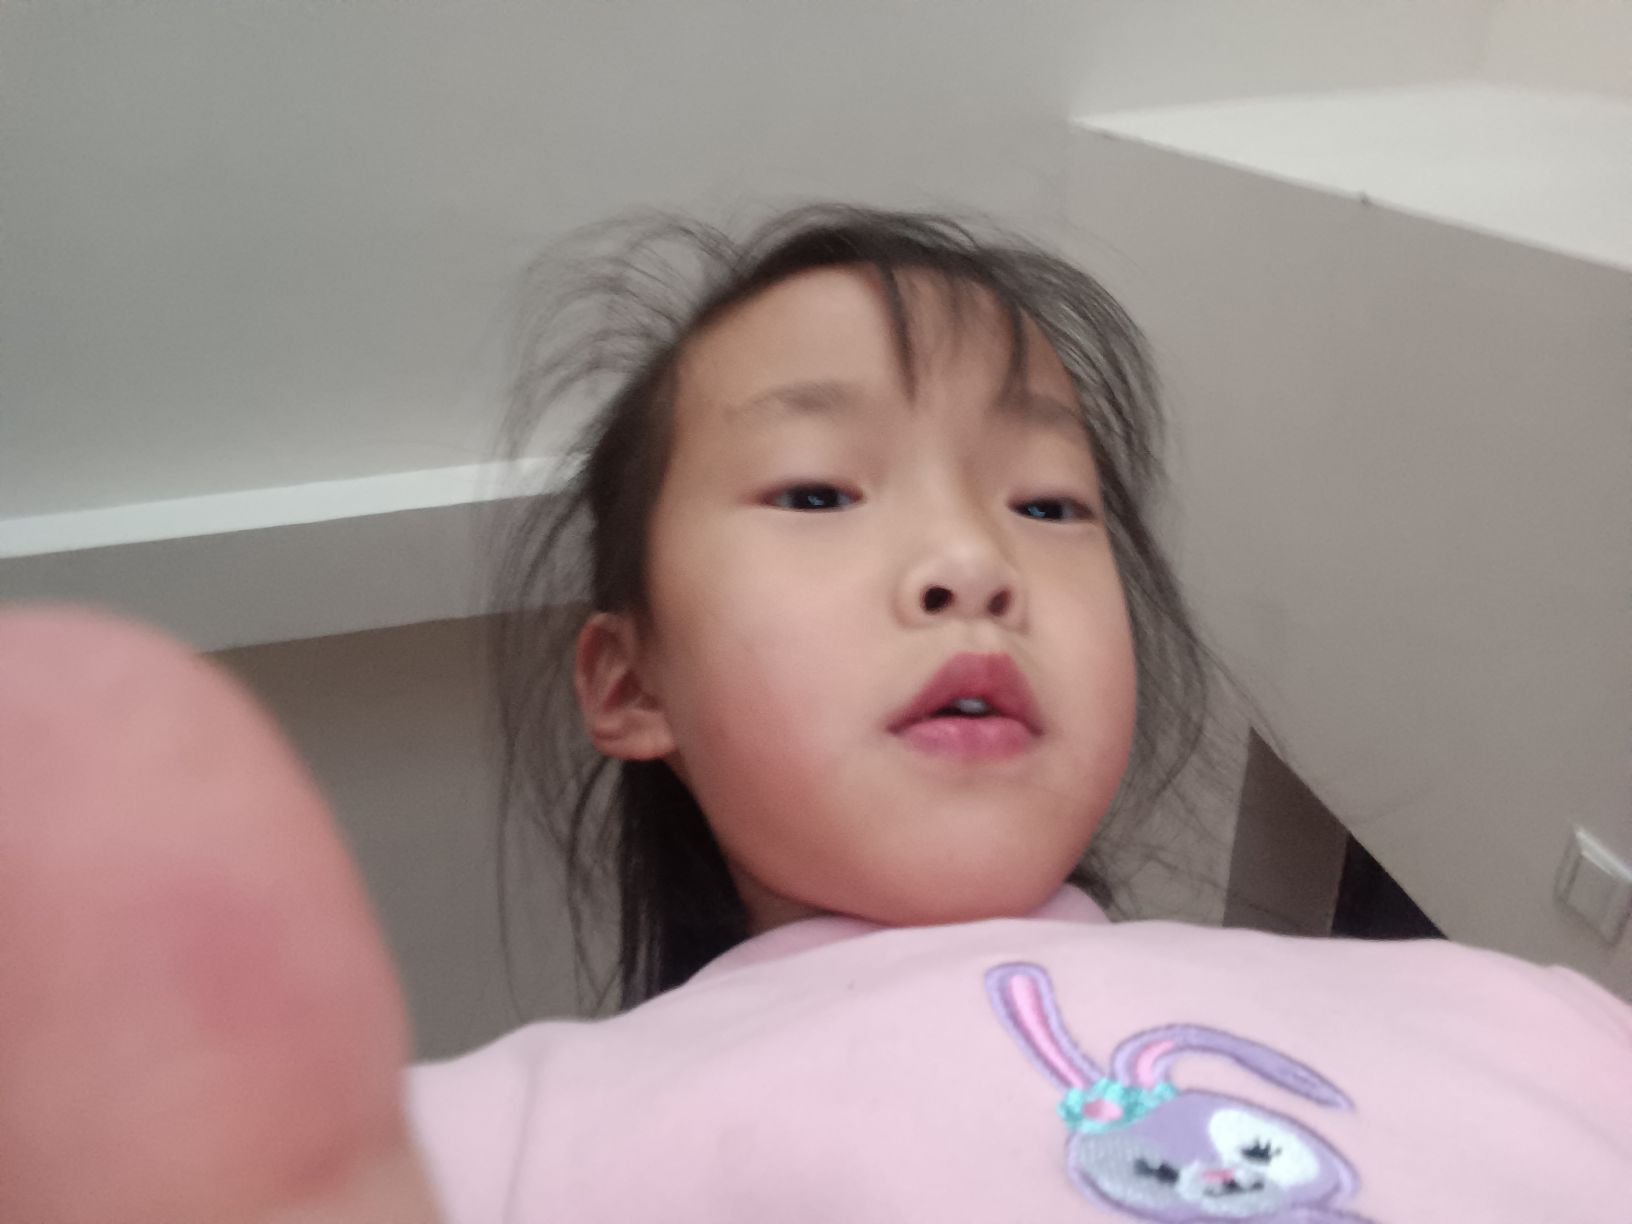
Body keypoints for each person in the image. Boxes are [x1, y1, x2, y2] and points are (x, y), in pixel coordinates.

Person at [1, 207, 1626, 1224]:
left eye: (1050, 504)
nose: (971, 563)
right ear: (630, 684)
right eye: (817, 490)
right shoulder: (491, 1147)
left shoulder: (1524, 1010)